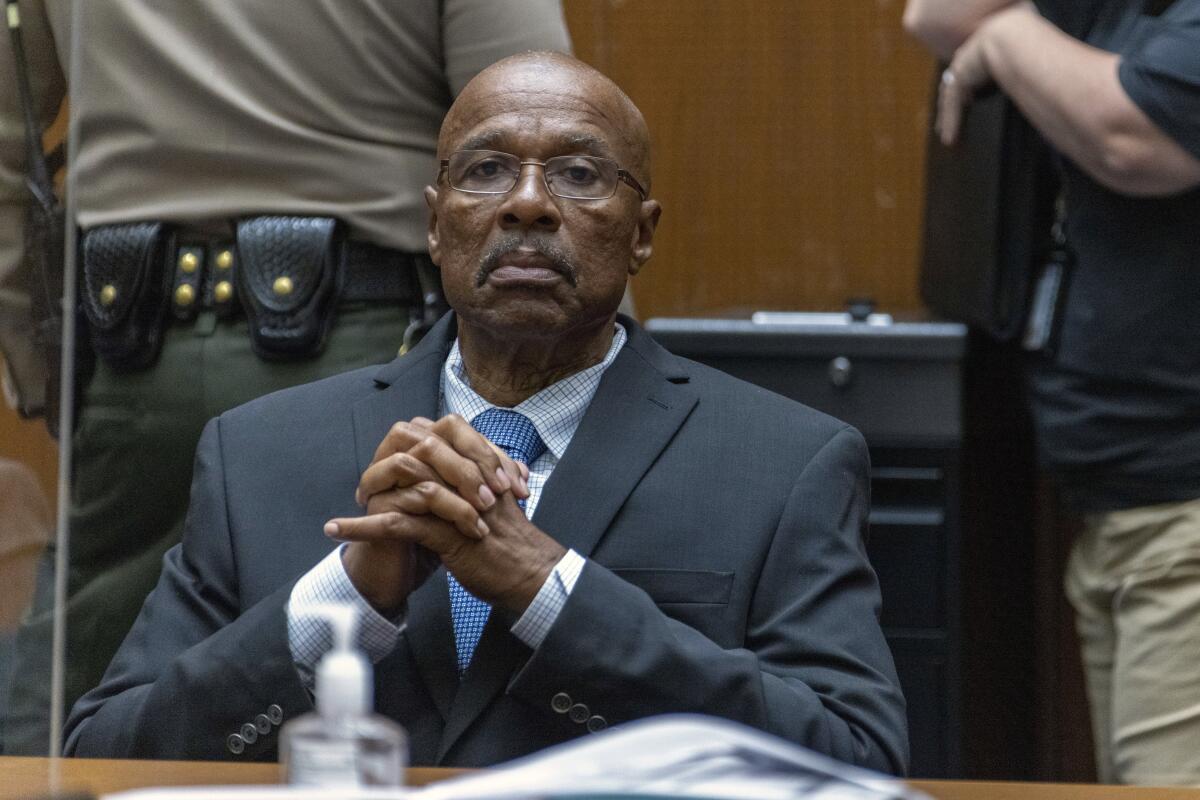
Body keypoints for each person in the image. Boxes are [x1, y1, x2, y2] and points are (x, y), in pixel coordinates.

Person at [62, 52, 909, 772]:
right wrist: (342, 602)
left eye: (579, 174)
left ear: (642, 233)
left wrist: (548, 592)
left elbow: (856, 759)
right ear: (436, 227)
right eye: (485, 170)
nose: (529, 204)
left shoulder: (785, 460)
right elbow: (104, 756)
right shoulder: (258, 452)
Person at [0, 0, 572, 754]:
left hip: (137, 356)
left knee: (80, 680)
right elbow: (550, 126)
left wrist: (45, 368)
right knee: (380, 673)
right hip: (371, 346)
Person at [904, 0, 1200, 785]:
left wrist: (1006, 39)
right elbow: (934, 14)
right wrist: (1000, 33)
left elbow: (1133, 136)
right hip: (1124, 503)